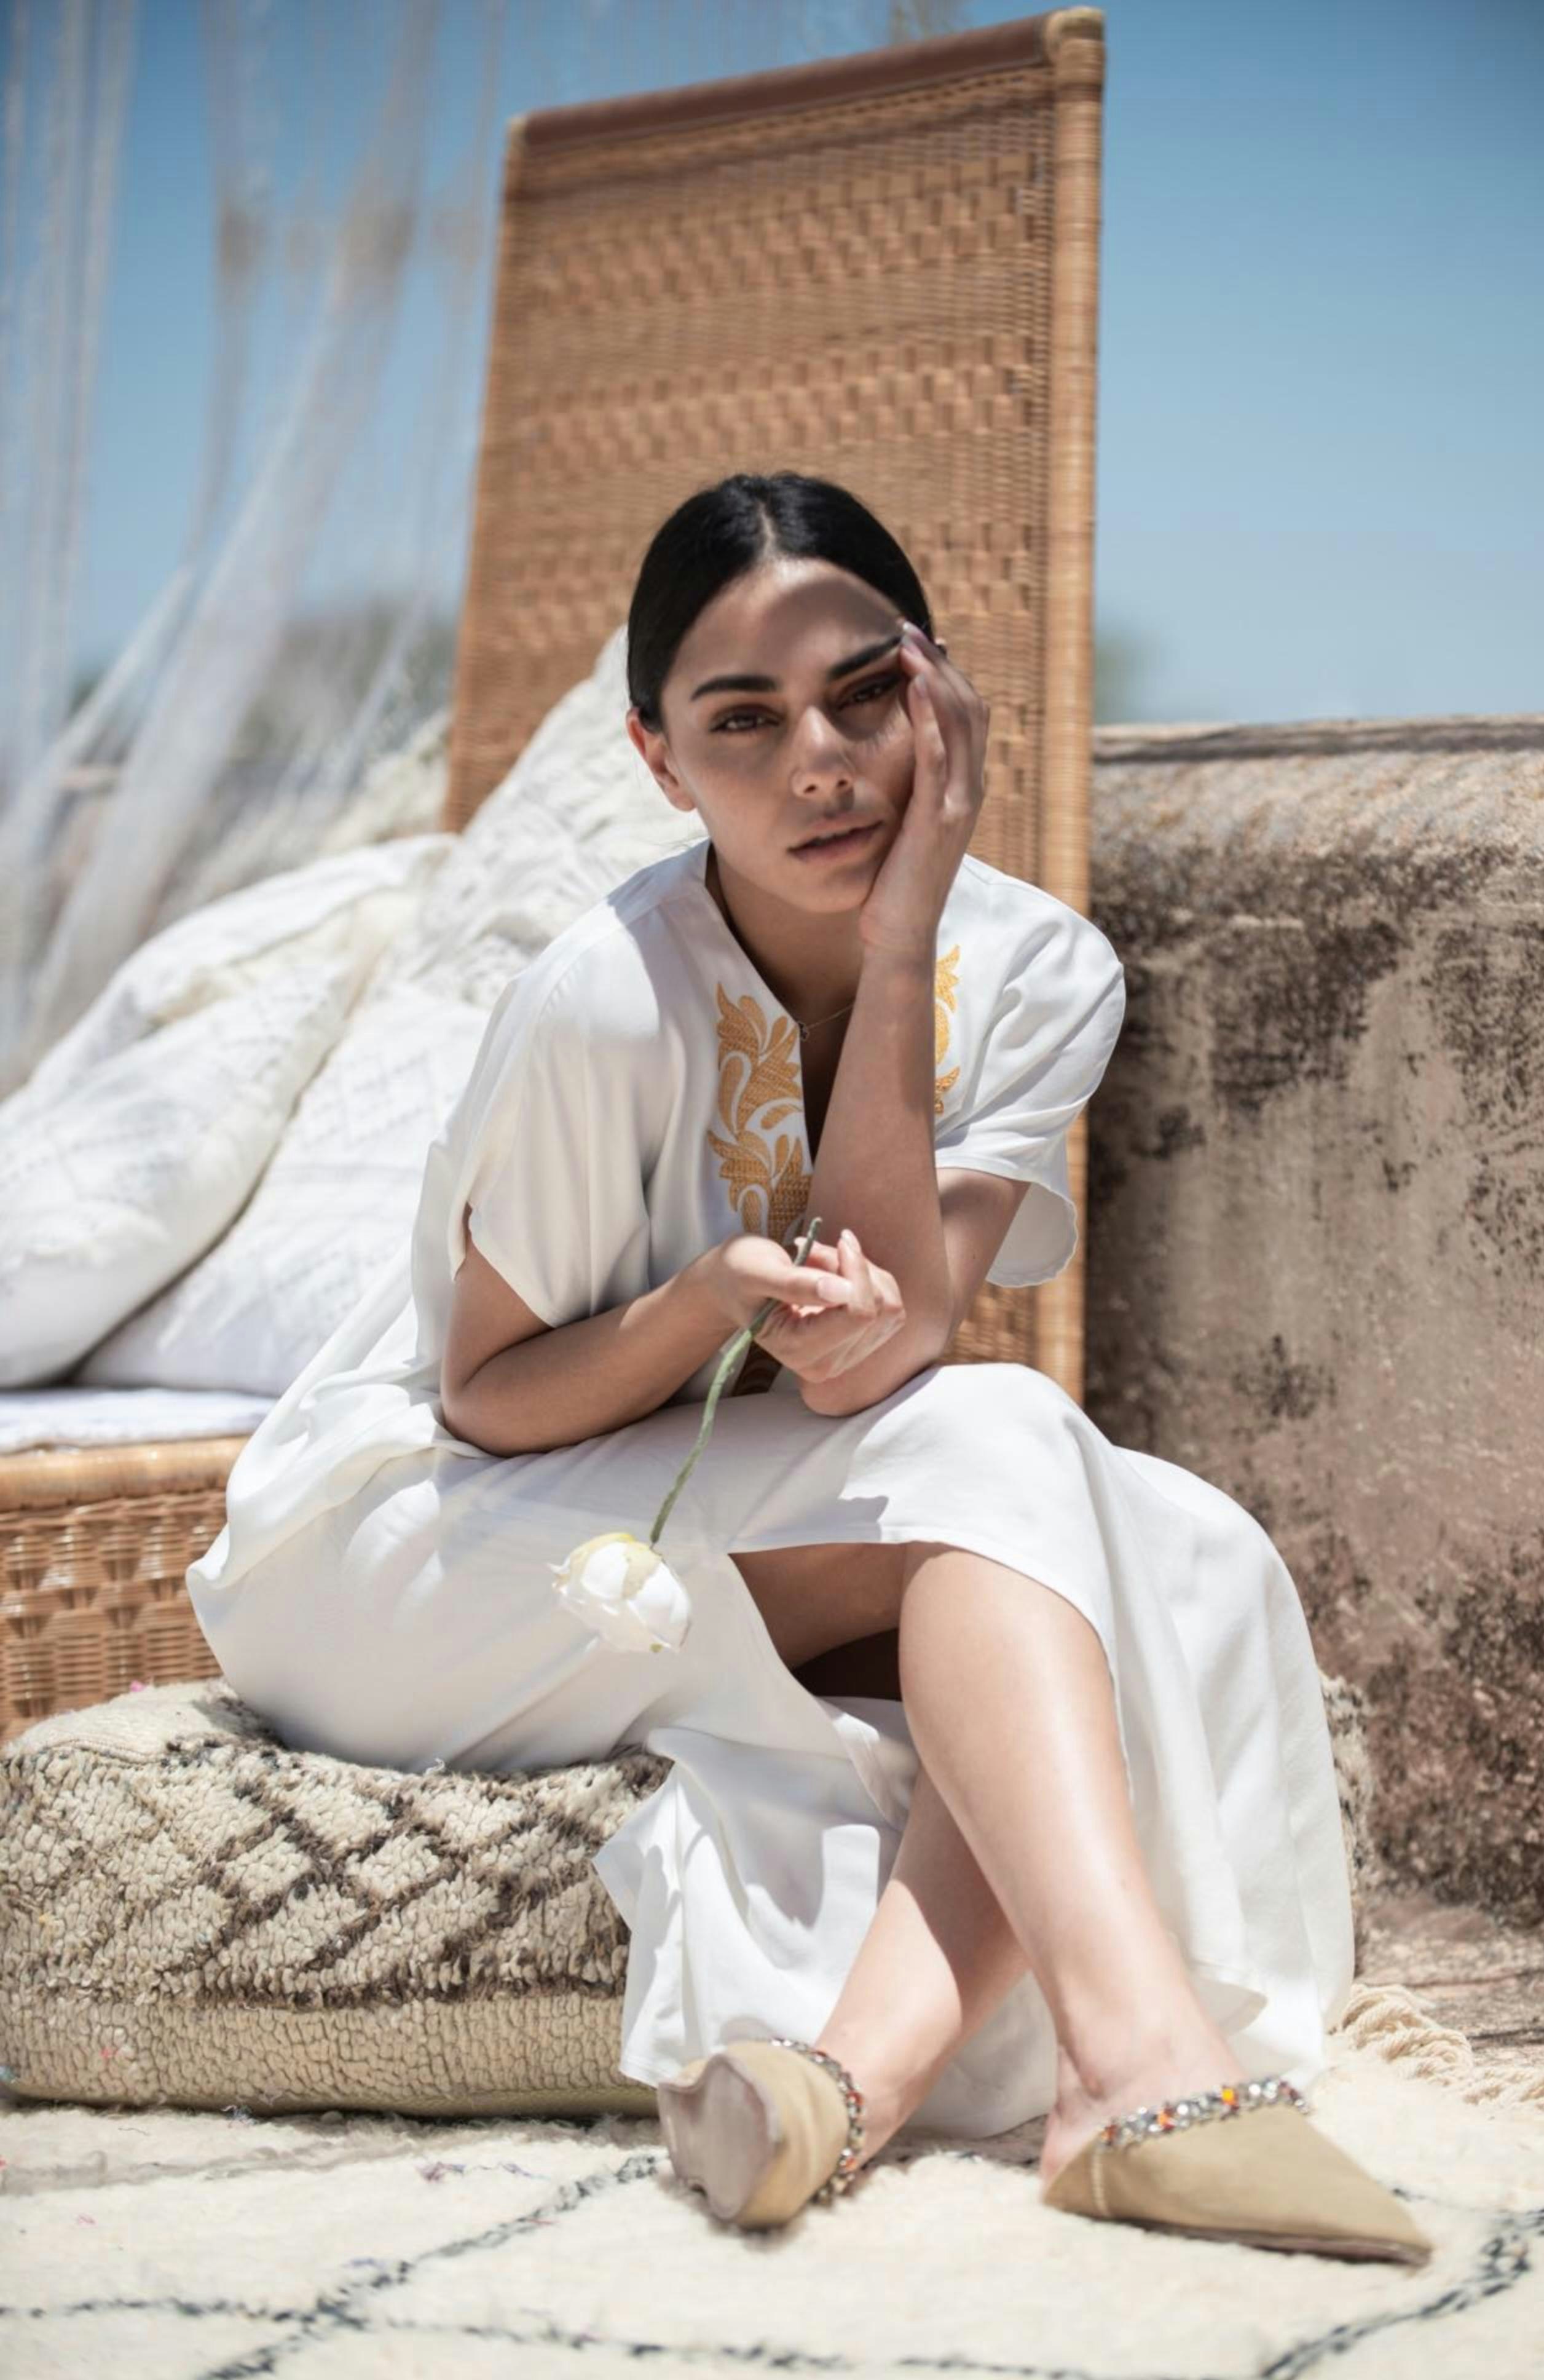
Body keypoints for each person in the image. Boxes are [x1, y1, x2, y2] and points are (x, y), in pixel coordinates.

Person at [187, 471, 1430, 2266]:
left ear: (940, 694)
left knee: (1190, 1557)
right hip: (426, 1545)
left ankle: (838, 2093)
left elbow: (874, 1354)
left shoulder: (1033, 969)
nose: (822, 763)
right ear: (658, 757)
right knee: (1023, 1454)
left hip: (740, 1507)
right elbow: (484, 1398)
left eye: (864, 694)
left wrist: (906, 936)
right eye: (744, 722)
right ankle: (1137, 2067)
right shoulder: (603, 993)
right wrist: (702, 1308)